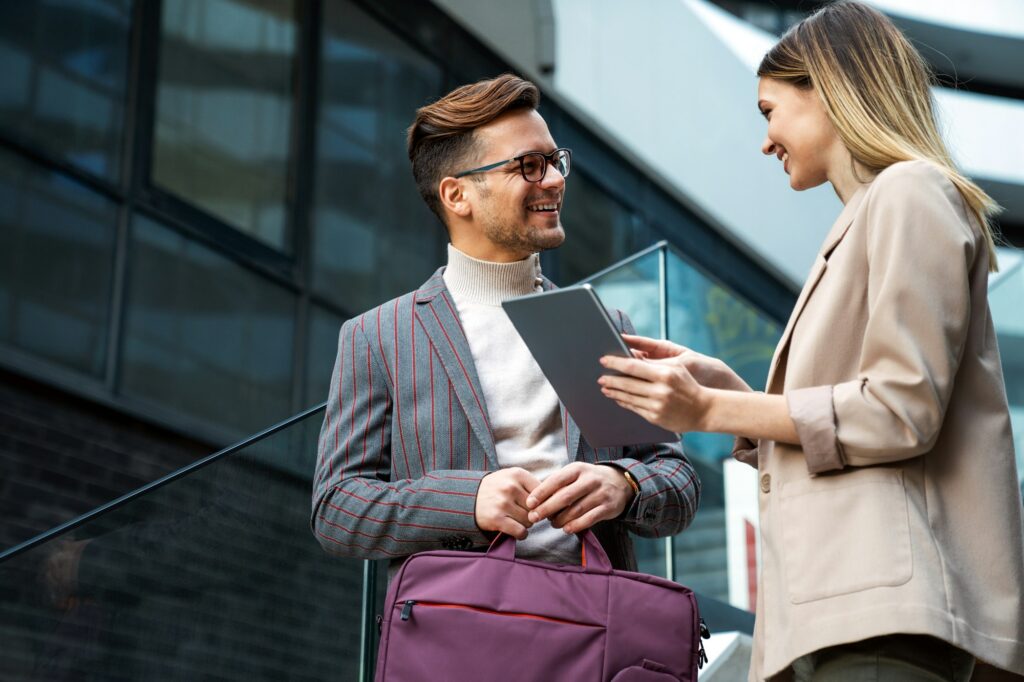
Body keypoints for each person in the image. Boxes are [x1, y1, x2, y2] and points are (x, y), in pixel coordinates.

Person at [597, 3, 1024, 680]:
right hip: (844, 613)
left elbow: (898, 412)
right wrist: (731, 393)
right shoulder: (872, 215)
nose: (765, 140)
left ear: (826, 90)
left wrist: (709, 413)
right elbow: (860, 418)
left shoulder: (909, 192)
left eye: (769, 110)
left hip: (881, 613)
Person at [310, 74, 699, 582]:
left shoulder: (599, 323)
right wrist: (466, 501)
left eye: (555, 161)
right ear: (457, 195)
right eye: (529, 166)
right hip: (453, 636)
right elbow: (337, 509)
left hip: (596, 631)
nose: (556, 180)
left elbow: (678, 484)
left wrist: (623, 484)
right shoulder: (380, 337)